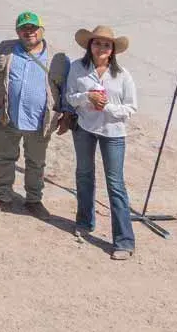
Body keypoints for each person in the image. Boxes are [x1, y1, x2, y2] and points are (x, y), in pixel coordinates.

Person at [0, 11, 68, 215]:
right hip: (7, 117)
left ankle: (33, 200)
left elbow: (66, 89)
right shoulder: (5, 50)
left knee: (36, 163)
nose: (28, 32)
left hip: (40, 122)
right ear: (17, 31)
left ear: (42, 30)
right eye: (24, 28)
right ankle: (2, 195)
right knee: (4, 158)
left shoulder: (58, 58)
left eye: (33, 28)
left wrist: (67, 116)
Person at [65, 24, 138, 260]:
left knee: (115, 184)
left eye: (107, 44)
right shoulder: (78, 67)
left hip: (113, 132)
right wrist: (88, 97)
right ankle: (85, 221)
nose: (101, 48)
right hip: (85, 128)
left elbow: (130, 108)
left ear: (113, 49)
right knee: (84, 174)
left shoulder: (122, 75)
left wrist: (106, 106)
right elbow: (70, 97)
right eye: (97, 43)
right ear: (90, 45)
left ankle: (124, 240)